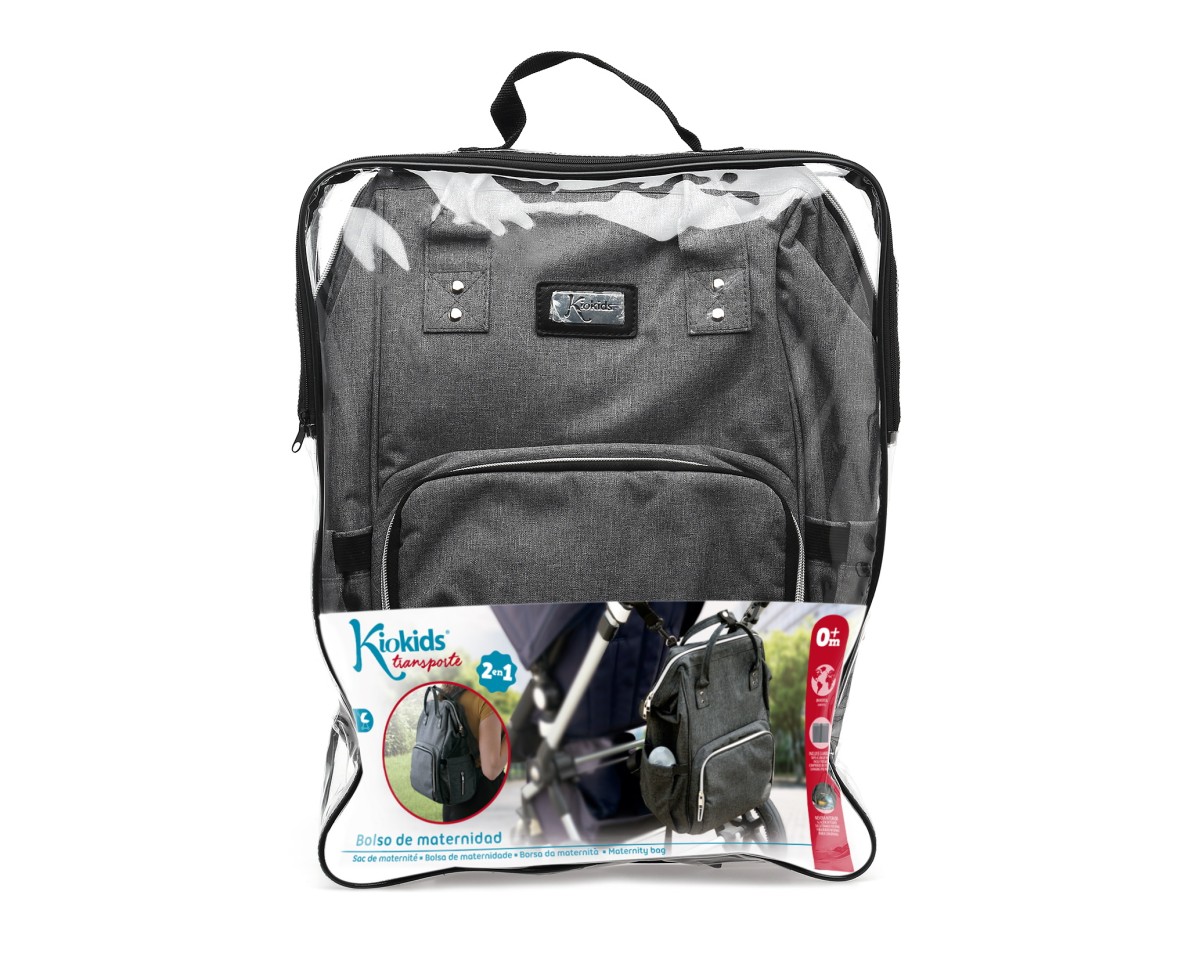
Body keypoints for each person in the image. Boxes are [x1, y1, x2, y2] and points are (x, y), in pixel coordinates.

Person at [442, 685, 506, 821]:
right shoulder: (484, 701)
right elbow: (491, 770)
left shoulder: (444, 694)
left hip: (451, 795)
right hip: (480, 797)